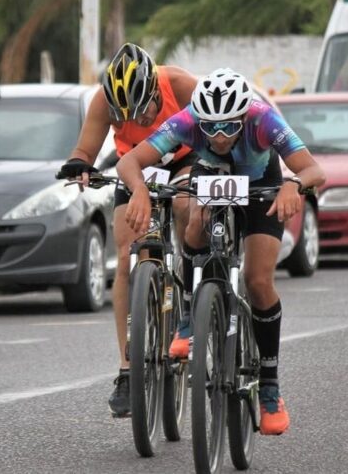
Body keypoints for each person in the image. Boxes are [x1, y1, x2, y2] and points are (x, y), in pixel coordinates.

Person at [116, 68, 326, 435]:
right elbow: (128, 162)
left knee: (257, 281)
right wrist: (139, 190)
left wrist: (293, 184)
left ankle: (270, 387)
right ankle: (188, 316)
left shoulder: (263, 118)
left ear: (243, 116)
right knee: (194, 225)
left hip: (261, 184)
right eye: (210, 127)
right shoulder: (188, 120)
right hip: (212, 176)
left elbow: (313, 170)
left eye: (229, 127)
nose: (219, 135)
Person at [57, 43, 198, 418]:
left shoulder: (180, 85)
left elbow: (218, 129)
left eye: (142, 110)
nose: (137, 119)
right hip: (136, 167)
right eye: (125, 116)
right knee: (125, 257)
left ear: (154, 89)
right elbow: (84, 150)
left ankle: (189, 279)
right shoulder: (104, 101)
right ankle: (127, 370)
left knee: (184, 206)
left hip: (185, 159)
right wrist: (79, 165)